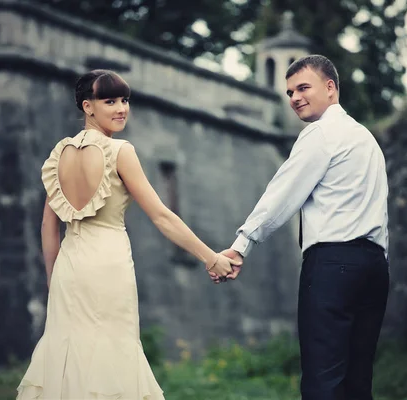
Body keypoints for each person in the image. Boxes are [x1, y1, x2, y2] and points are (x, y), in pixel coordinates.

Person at [16, 69, 240, 400]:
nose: (121, 108)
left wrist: (53, 280)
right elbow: (162, 216)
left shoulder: (59, 154)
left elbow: (49, 226)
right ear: (87, 107)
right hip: (108, 264)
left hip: (70, 269)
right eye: (110, 101)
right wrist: (212, 258)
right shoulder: (120, 150)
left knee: (67, 358)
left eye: (125, 100)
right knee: (112, 355)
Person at [216, 55, 390, 400]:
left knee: (322, 381)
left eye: (303, 87)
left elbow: (282, 194)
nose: (294, 97)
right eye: (290, 91)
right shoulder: (366, 139)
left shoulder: (321, 134)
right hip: (374, 269)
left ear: (330, 87)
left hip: (333, 265)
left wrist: (241, 244)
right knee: (357, 382)